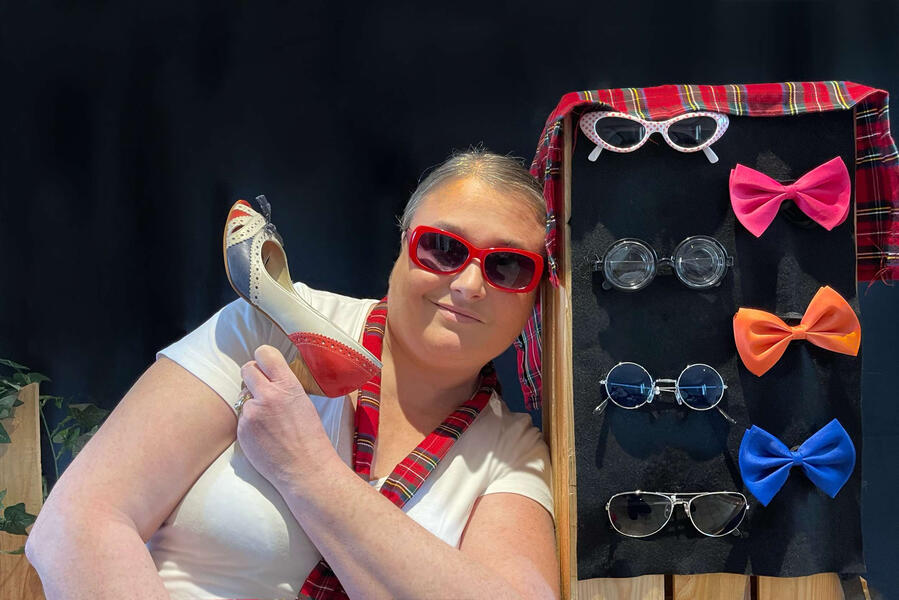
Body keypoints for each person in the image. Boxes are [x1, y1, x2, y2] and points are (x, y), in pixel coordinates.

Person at [26, 149, 560, 599]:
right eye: (442, 248)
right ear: (403, 246)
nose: (468, 284)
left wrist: (307, 471)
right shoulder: (273, 322)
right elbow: (76, 525)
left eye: (507, 266)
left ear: (535, 300)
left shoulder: (511, 453)